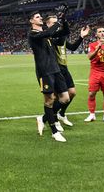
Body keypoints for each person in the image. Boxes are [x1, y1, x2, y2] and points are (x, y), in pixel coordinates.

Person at [27, 9, 70, 142]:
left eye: (40, 17)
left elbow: (65, 32)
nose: (40, 18)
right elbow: (49, 32)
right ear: (31, 21)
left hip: (56, 69)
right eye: (37, 17)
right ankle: (54, 131)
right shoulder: (32, 34)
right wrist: (56, 24)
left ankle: (43, 118)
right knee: (50, 100)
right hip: (45, 71)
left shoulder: (47, 34)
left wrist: (63, 19)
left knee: (65, 98)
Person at [49, 16, 90, 127]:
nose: (56, 25)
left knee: (72, 93)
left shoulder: (60, 37)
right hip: (56, 69)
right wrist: (63, 26)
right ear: (48, 25)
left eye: (57, 22)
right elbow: (61, 41)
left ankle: (61, 114)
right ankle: (53, 118)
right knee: (58, 97)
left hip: (64, 68)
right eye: (54, 23)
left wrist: (81, 37)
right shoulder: (50, 37)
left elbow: (72, 47)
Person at [85, 27, 104, 123]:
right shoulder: (92, 45)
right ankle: (92, 114)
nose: (102, 33)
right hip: (95, 72)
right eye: (99, 32)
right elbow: (90, 57)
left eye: (103, 31)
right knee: (91, 93)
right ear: (96, 35)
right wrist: (97, 48)